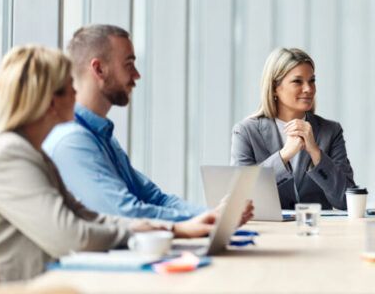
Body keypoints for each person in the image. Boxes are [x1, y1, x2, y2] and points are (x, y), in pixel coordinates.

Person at [0, 46, 215, 281]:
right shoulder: (10, 155)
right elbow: (70, 236)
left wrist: (172, 229)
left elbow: (87, 216)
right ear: (50, 101)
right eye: (70, 88)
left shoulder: (35, 153)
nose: (76, 95)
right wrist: (134, 234)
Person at [43, 25, 251, 223]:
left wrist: (212, 214)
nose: (136, 75)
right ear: (99, 69)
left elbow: (155, 198)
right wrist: (210, 219)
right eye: (129, 64)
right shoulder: (72, 140)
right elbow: (125, 213)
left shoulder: (101, 136)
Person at [230, 48, 355, 210]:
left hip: (318, 232)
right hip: (267, 232)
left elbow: (347, 200)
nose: (308, 89)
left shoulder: (330, 131)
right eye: (297, 81)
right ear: (275, 87)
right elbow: (240, 198)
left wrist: (316, 154)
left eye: (312, 81)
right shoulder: (245, 132)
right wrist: (283, 155)